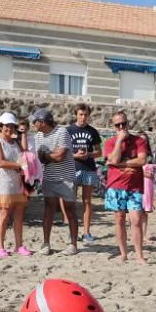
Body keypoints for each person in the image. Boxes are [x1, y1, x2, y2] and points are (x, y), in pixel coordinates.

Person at [29, 109, 79, 256]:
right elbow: (42, 157)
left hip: (67, 177)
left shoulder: (61, 132)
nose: (33, 124)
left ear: (42, 122)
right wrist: (51, 155)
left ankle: (73, 245)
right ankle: (46, 244)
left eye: (34, 121)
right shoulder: (38, 136)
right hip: (49, 177)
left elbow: (60, 157)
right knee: (48, 210)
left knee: (70, 211)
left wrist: (47, 155)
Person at [103, 110, 148, 263]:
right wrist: (118, 141)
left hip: (135, 186)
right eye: (118, 125)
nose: (122, 127)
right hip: (116, 185)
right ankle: (123, 253)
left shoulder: (139, 141)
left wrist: (121, 164)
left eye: (124, 123)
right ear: (113, 126)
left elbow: (142, 161)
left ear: (128, 123)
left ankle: (139, 255)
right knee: (119, 219)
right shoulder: (110, 143)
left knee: (136, 220)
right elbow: (112, 158)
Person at [0, 112, 30, 257]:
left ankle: (19, 245)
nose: (10, 128)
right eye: (7, 126)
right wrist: (19, 165)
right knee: (5, 214)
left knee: (19, 214)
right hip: (5, 182)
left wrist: (23, 134)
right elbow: (0, 162)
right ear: (0, 126)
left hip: (18, 181)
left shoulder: (15, 141)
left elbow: (25, 153)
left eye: (12, 126)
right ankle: (0, 247)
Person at [67, 103, 101, 243]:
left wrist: (89, 154)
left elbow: (100, 152)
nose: (83, 117)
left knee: (87, 201)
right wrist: (75, 156)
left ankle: (86, 232)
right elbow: (62, 152)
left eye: (86, 114)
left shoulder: (92, 131)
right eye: (80, 114)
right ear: (76, 115)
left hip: (88, 168)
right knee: (71, 201)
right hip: (72, 167)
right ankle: (72, 231)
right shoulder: (68, 130)